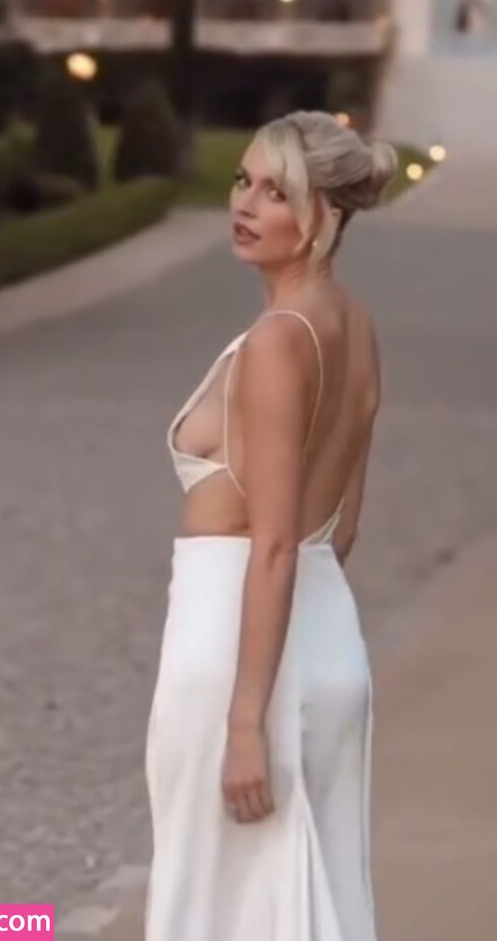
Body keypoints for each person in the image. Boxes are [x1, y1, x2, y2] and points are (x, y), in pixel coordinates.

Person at [144, 110, 398, 940]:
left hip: (235, 657)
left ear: (325, 213)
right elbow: (340, 529)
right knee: (311, 910)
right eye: (241, 180)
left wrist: (247, 720)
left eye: (275, 192)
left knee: (210, 910)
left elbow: (276, 542)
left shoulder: (277, 342)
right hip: (325, 649)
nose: (245, 204)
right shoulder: (356, 326)